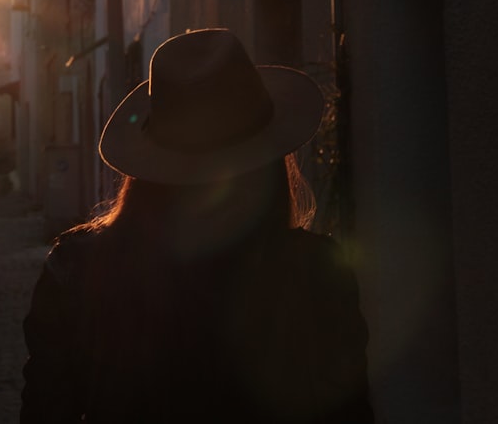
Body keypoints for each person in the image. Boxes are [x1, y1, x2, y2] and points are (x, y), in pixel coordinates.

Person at [20, 28, 373, 423]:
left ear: (149, 169)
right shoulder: (317, 272)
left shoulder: (77, 271)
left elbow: (45, 410)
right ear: (271, 165)